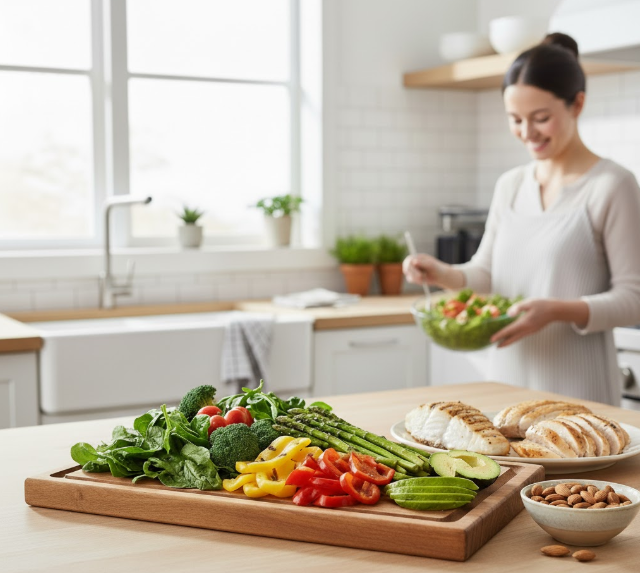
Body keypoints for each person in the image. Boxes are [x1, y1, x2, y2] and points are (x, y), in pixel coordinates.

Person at [403, 33, 640, 405]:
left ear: (577, 104)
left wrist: (555, 310)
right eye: (515, 119)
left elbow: (633, 298)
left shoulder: (612, 185)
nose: (527, 133)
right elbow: (486, 274)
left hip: (579, 393)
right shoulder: (511, 185)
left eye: (541, 118)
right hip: (508, 388)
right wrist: (441, 272)